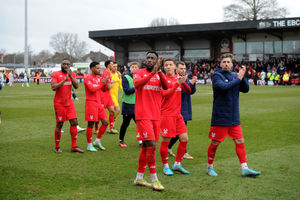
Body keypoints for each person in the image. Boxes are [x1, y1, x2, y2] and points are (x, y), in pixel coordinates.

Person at [206, 53, 261, 177]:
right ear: (220, 64)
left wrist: (243, 76)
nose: (226, 64)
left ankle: (245, 168)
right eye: (224, 62)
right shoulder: (216, 76)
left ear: (232, 64)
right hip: (220, 116)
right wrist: (238, 78)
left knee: (240, 140)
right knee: (215, 142)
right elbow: (224, 87)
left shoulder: (234, 75)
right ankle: (209, 167)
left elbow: (246, 89)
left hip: (234, 116)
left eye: (228, 62)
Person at [133, 51, 169, 191]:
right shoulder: (139, 72)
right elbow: (137, 84)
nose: (149, 60)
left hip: (156, 116)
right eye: (147, 58)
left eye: (152, 58)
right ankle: (155, 179)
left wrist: (159, 72)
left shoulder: (159, 75)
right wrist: (153, 72)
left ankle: (139, 177)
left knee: (147, 148)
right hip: (143, 115)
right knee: (152, 146)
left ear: (156, 61)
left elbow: (166, 87)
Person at [159, 59, 192, 176]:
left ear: (175, 67)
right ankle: (165, 166)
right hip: (166, 115)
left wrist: (183, 82)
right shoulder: (162, 79)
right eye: (166, 65)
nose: (168, 67)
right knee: (166, 141)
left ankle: (177, 164)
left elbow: (189, 91)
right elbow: (165, 94)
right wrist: (177, 84)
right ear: (164, 68)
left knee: (184, 139)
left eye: (170, 65)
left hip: (177, 115)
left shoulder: (178, 78)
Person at [50, 59, 84, 153]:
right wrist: (65, 79)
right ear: (61, 64)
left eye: (68, 64)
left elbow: (76, 86)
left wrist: (70, 77)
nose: (66, 66)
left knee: (74, 122)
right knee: (60, 124)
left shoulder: (72, 74)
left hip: (69, 103)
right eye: (64, 64)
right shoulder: (55, 74)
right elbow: (53, 87)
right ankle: (57, 147)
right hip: (59, 103)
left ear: (70, 65)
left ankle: (74, 146)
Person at [168, 61, 197, 160]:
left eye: (184, 68)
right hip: (178, 109)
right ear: (176, 69)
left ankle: (168, 147)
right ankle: (184, 152)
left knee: (178, 133)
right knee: (182, 132)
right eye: (181, 68)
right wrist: (188, 84)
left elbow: (191, 92)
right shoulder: (176, 80)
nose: (183, 70)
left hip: (185, 107)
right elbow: (180, 92)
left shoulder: (185, 79)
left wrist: (192, 84)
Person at [84, 62, 110, 152]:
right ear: (92, 68)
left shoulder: (99, 78)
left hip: (99, 104)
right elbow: (92, 89)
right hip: (91, 103)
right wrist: (102, 84)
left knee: (106, 122)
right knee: (90, 124)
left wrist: (107, 83)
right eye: (97, 68)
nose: (99, 70)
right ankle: (89, 145)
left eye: (100, 68)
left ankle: (97, 140)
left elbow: (104, 89)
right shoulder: (88, 78)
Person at [119, 62, 139, 147]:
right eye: (132, 67)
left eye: (136, 67)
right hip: (128, 105)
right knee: (125, 123)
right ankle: (121, 140)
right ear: (129, 68)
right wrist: (137, 87)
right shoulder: (126, 78)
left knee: (140, 124)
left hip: (137, 105)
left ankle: (141, 141)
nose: (134, 68)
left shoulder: (139, 78)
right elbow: (126, 91)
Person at [95, 60, 116, 134]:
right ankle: (96, 128)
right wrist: (112, 82)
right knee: (100, 113)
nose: (113, 65)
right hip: (103, 95)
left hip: (108, 95)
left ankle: (111, 128)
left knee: (112, 111)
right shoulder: (105, 73)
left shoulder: (108, 72)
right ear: (108, 65)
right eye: (112, 64)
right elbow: (108, 87)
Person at [109, 61, 123, 133]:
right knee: (117, 110)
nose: (115, 68)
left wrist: (124, 91)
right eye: (114, 66)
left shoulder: (118, 74)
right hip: (110, 95)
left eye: (116, 66)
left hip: (116, 95)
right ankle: (111, 125)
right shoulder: (109, 74)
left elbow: (120, 84)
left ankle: (110, 125)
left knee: (113, 111)